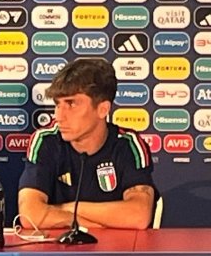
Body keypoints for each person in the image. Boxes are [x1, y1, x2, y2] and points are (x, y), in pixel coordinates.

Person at [18, 58, 158, 230]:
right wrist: (83, 225)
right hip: (59, 246)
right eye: (57, 104)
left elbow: (139, 215)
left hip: (116, 247)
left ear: (103, 109)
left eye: (71, 104)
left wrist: (68, 209)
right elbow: (30, 216)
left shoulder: (128, 145)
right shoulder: (45, 140)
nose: (59, 116)